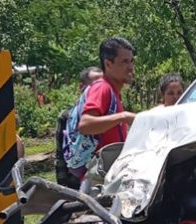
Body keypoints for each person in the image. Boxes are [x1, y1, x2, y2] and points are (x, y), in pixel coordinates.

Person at [74, 37, 136, 181]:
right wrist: (123, 116)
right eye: (125, 62)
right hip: (98, 182)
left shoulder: (113, 92)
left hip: (108, 176)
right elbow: (85, 125)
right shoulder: (103, 88)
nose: (131, 67)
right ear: (108, 64)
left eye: (131, 61)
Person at [54, 66, 104, 189]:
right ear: (82, 87)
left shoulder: (109, 116)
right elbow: (60, 155)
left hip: (102, 181)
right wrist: (63, 188)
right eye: (95, 84)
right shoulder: (67, 117)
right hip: (75, 183)